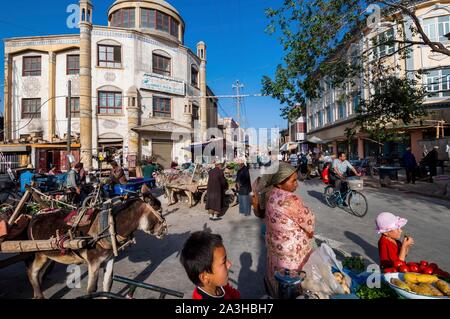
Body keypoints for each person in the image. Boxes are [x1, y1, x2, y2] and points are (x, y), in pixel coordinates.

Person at [263, 162, 316, 297]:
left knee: (277, 280)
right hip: (291, 252)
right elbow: (308, 220)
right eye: (293, 181)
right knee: (292, 285)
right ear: (280, 183)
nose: (296, 184)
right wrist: (309, 231)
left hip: (274, 246)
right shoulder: (290, 199)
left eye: (296, 180)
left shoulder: (270, 194)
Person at [180, 231, 240, 300]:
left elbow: (234, 294)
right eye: (223, 262)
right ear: (204, 277)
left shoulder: (220, 284)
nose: (229, 264)